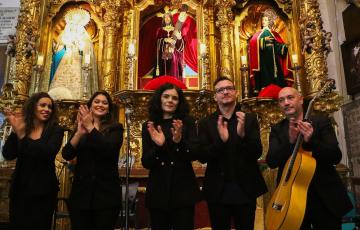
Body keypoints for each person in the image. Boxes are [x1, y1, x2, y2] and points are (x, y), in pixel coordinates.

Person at [266, 87, 353, 229]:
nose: (286, 103)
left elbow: (335, 156)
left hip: (324, 196)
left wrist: (311, 141)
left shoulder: (321, 122)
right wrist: (291, 141)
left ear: (300, 100)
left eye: (290, 98)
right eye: (281, 100)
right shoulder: (277, 129)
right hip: (292, 200)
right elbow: (272, 161)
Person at [198, 76, 267, 230]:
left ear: (236, 93)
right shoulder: (206, 123)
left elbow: (256, 152)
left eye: (229, 88)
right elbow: (202, 156)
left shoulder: (249, 120)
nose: (225, 92)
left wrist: (242, 136)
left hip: (245, 187)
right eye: (220, 90)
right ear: (215, 96)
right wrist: (220, 141)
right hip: (218, 190)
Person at [141, 83, 201, 230]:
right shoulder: (149, 125)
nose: (170, 100)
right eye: (166, 96)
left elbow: (195, 154)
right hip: (158, 191)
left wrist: (179, 141)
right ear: (159, 99)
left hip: (183, 190)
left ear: (179, 102)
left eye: (175, 98)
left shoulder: (187, 122)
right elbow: (146, 162)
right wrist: (159, 146)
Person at [62, 91, 123, 230]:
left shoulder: (115, 128)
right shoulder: (81, 126)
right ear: (90, 105)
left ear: (109, 108)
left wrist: (90, 127)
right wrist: (79, 133)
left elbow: (108, 150)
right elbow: (67, 154)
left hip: (106, 196)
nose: (100, 105)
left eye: (104, 102)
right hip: (81, 196)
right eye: (96, 101)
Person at [2, 92, 64, 229]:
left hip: (43, 192)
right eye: (42, 105)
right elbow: (8, 154)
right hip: (20, 191)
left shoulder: (56, 130)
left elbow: (47, 153)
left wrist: (22, 135)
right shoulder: (23, 128)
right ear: (33, 107)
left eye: (50, 107)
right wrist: (15, 131)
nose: (47, 109)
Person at [249, 13, 293, 94]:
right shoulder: (258, 34)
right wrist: (263, 41)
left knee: (276, 74)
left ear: (269, 21)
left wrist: (284, 47)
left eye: (265, 20)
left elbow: (277, 45)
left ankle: (277, 87)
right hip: (263, 60)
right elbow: (252, 43)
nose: (263, 21)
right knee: (265, 74)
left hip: (274, 60)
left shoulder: (274, 34)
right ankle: (264, 88)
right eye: (262, 20)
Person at [154, 11, 185, 80]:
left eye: (168, 17)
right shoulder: (160, 30)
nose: (167, 18)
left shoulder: (176, 30)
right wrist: (164, 40)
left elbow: (180, 48)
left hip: (173, 55)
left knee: (173, 71)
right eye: (165, 17)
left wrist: (179, 38)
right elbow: (156, 43)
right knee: (162, 74)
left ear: (171, 18)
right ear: (163, 19)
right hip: (162, 56)